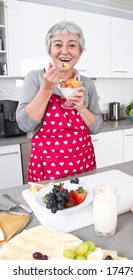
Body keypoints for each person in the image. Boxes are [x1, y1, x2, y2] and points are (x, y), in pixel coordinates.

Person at [16, 21, 103, 182]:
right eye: (58, 45)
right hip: (47, 168)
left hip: (83, 165)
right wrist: (46, 89)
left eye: (72, 45)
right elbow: (24, 124)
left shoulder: (87, 84)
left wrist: (82, 108)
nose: (65, 52)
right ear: (50, 50)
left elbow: (97, 127)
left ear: (80, 52)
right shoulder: (35, 78)